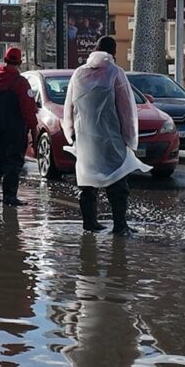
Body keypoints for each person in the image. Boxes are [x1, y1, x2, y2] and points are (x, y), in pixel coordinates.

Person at [63, 36, 150, 235]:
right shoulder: (115, 73)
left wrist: (72, 134)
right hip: (111, 138)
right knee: (117, 182)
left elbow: (69, 107)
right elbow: (126, 109)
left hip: (85, 139)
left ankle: (90, 224)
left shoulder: (79, 73)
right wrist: (129, 139)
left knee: (87, 182)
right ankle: (120, 226)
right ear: (113, 53)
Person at [0, 47, 38, 206]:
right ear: (20, 62)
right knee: (13, 162)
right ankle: (9, 196)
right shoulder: (21, 83)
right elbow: (29, 111)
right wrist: (33, 134)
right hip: (15, 130)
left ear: (5, 59)